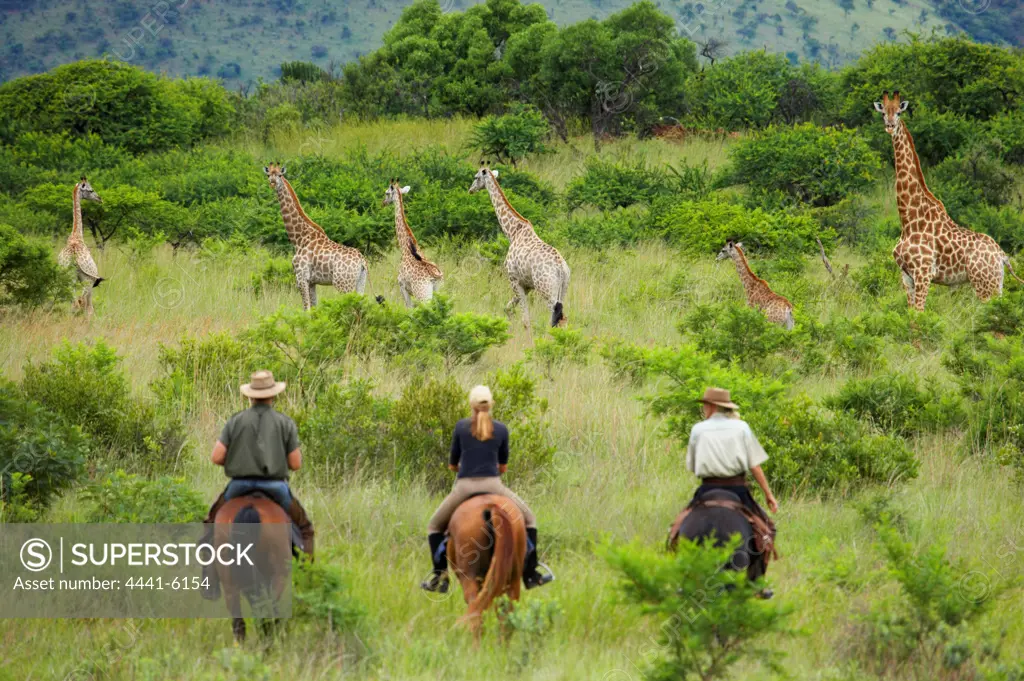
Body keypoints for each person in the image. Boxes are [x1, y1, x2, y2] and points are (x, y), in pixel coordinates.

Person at [421, 385, 553, 592]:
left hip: (464, 487)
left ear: (471, 405)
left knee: (434, 527)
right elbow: (503, 467)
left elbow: (452, 465)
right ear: (491, 405)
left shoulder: (461, 427)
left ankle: (440, 577)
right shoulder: (501, 429)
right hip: (494, 485)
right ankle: (530, 574)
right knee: (530, 520)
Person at [201, 370, 315, 597]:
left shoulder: (235, 421)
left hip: (239, 486)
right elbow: (295, 463)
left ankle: (209, 581)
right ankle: (307, 584)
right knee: (305, 529)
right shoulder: (285, 423)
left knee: (210, 525)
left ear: (250, 396)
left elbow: (216, 457)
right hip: (275, 487)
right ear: (273, 395)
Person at [686, 386, 778, 522]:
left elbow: (692, 467)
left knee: (679, 525)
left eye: (705, 405)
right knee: (765, 528)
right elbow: (755, 467)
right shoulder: (742, 427)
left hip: (707, 489)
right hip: (737, 490)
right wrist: (768, 494)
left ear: (712, 406)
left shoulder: (697, 429)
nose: (704, 409)